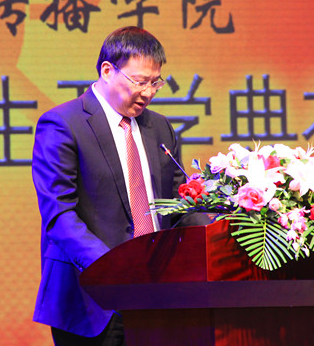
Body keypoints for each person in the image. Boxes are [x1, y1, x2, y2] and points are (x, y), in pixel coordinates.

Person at [31, 26, 203, 346]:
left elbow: (178, 207)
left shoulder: (160, 127)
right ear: (108, 71)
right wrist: (115, 269)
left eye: (156, 82)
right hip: (91, 300)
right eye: (140, 81)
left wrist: (221, 228)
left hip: (157, 297)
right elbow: (60, 216)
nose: (148, 92)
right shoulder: (63, 124)